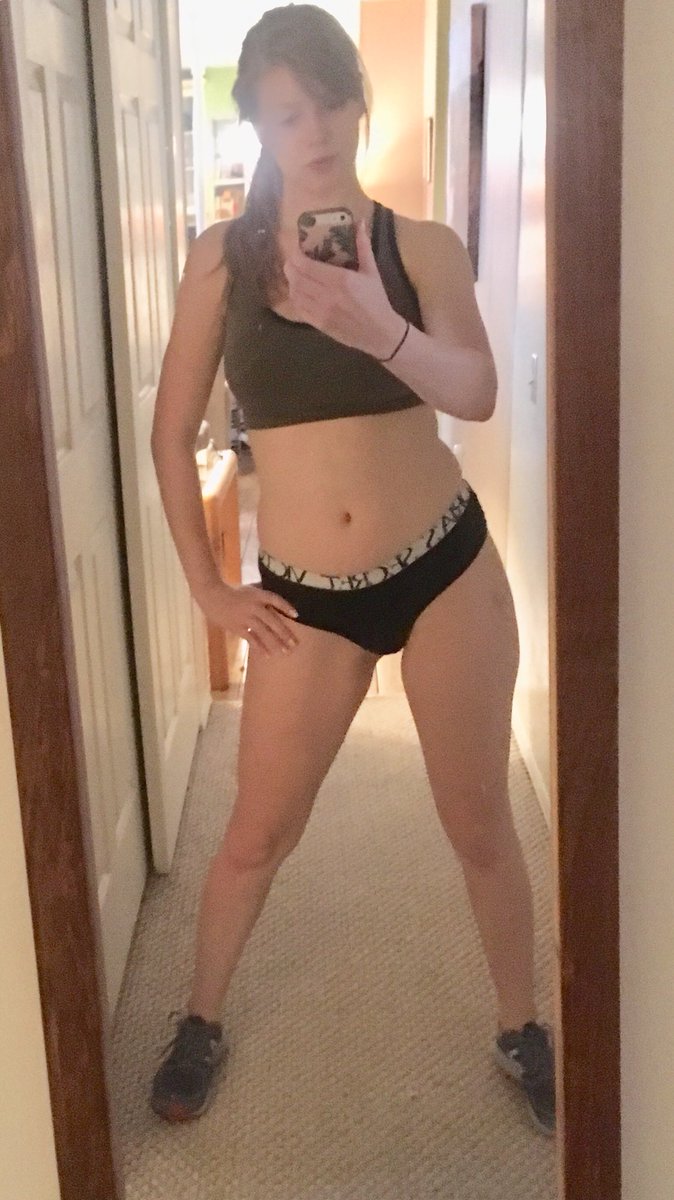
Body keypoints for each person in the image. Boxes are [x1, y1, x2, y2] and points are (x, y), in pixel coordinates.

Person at [149, 3, 555, 1137]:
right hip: (305, 601)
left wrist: (380, 325)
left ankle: (521, 1025)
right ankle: (199, 1018)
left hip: (443, 569)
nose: (314, 129)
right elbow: (170, 435)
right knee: (254, 835)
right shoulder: (219, 262)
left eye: (329, 102)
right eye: (288, 112)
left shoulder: (420, 248)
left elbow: (474, 393)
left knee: (478, 820)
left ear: (356, 105)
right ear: (258, 124)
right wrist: (207, 588)